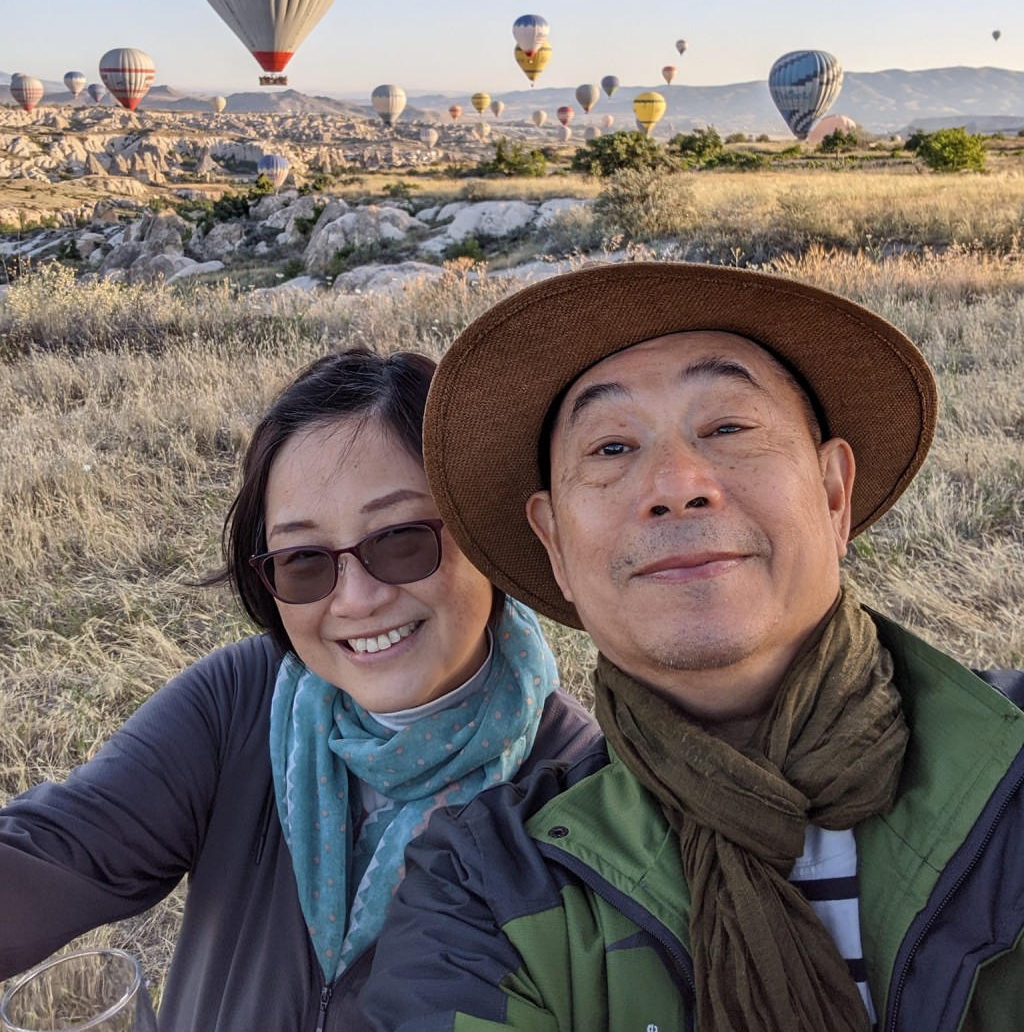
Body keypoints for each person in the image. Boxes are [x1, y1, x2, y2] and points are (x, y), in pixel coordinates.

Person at [362, 262, 1024, 1032]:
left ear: (834, 493)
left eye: (729, 427)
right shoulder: (486, 886)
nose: (676, 483)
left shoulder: (1007, 776)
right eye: (610, 448)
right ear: (556, 547)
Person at [0, 349, 597, 1031]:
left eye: (402, 540)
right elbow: (53, 853)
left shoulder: (579, 795)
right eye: (304, 561)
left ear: (486, 537)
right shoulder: (239, 705)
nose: (358, 599)